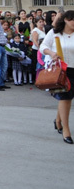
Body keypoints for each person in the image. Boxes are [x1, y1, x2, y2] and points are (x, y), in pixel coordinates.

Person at [40, 10, 74, 144]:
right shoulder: (55, 33)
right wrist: (51, 53)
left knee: (68, 98)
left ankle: (58, 120)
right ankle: (66, 129)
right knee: (65, 97)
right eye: (72, 20)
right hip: (62, 69)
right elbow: (43, 46)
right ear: (65, 19)